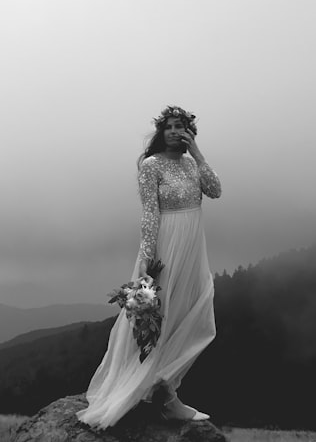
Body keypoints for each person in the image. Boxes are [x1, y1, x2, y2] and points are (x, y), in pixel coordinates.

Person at [77, 105, 222, 428]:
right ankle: (162, 396)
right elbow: (149, 214)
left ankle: (163, 388)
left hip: (194, 247)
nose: (174, 132)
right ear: (161, 131)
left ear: (189, 133)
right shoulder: (151, 166)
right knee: (162, 316)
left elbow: (216, 190)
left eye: (181, 127)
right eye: (169, 127)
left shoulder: (191, 162)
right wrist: (146, 259)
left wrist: (197, 152)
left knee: (197, 313)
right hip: (166, 247)